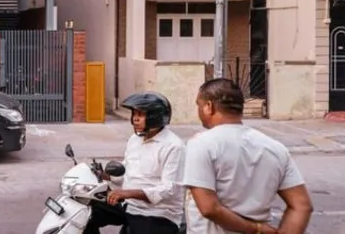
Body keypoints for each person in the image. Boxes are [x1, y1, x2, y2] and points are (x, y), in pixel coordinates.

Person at [182, 79, 314, 234]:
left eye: (198, 104)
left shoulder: (201, 144)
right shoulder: (274, 147)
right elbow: (302, 206)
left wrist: (256, 229)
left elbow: (209, 208)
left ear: (208, 107)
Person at [89, 91, 186, 234]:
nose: (135, 119)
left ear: (155, 116)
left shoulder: (173, 146)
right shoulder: (135, 140)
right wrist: (106, 176)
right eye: (134, 114)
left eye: (141, 114)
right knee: (84, 213)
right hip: (129, 206)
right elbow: (127, 172)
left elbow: (168, 190)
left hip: (158, 213)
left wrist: (127, 193)